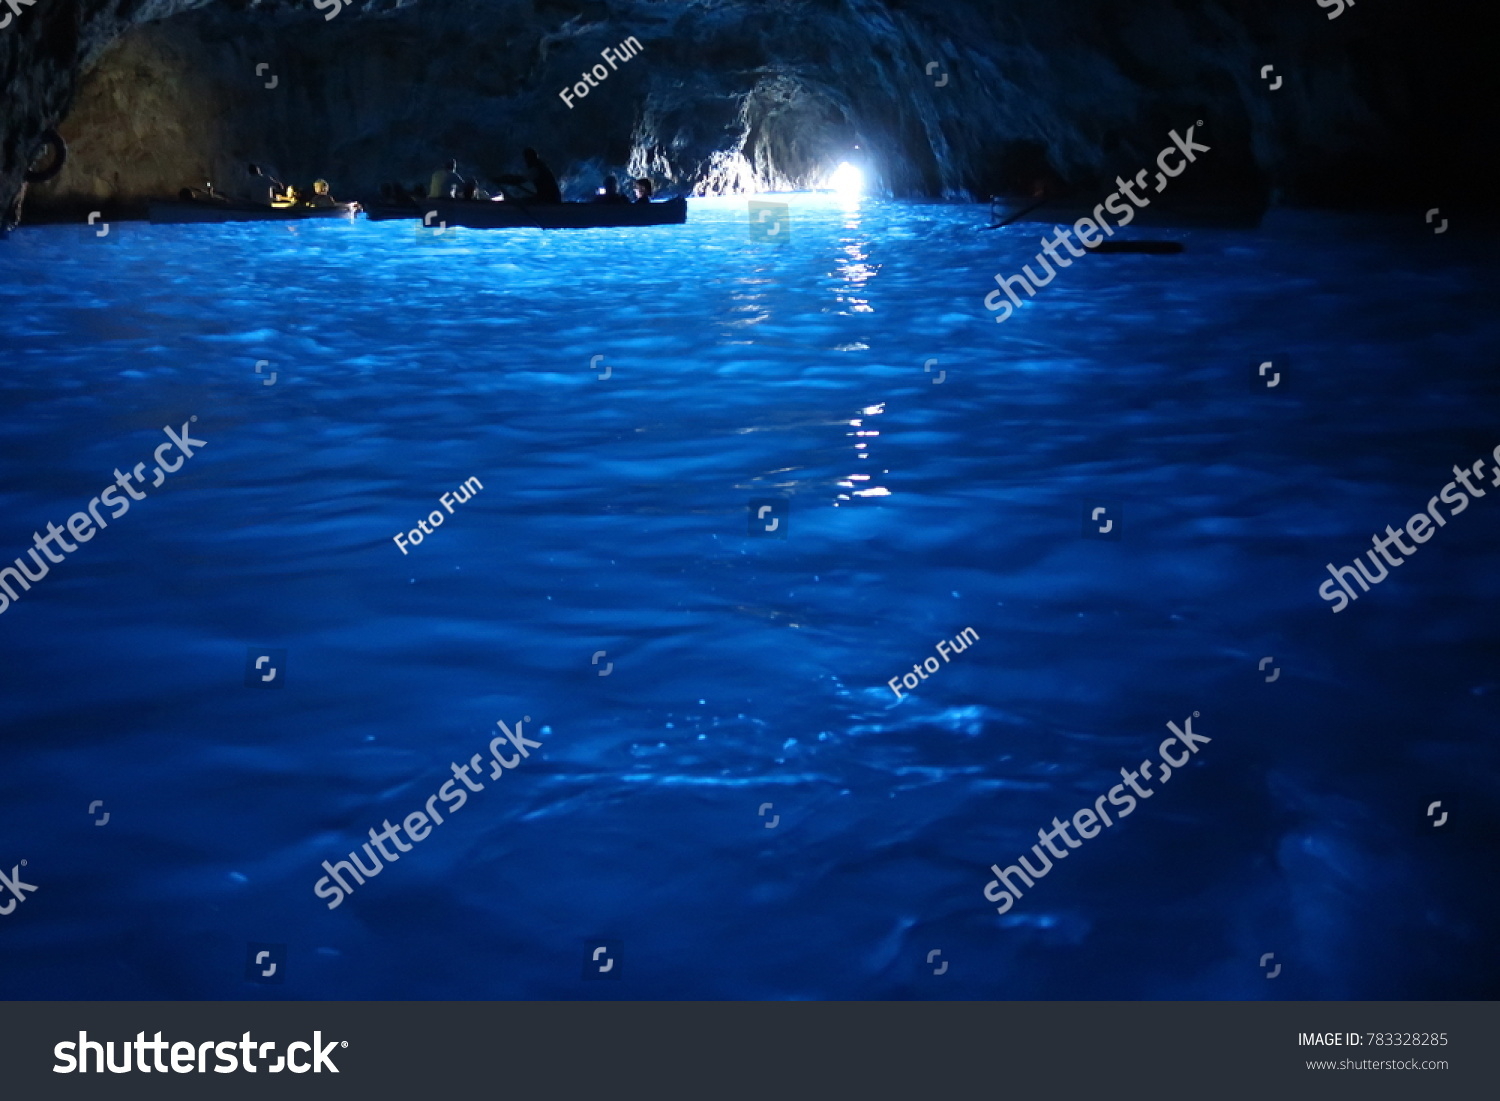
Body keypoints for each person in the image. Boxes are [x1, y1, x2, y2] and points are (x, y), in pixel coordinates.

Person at [496, 148, 561, 204]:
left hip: (549, 200)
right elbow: (520, 178)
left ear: (528, 158)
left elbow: (520, 180)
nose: (525, 161)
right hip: (552, 198)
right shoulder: (541, 166)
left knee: (521, 201)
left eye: (525, 159)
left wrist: (501, 180)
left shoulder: (536, 169)